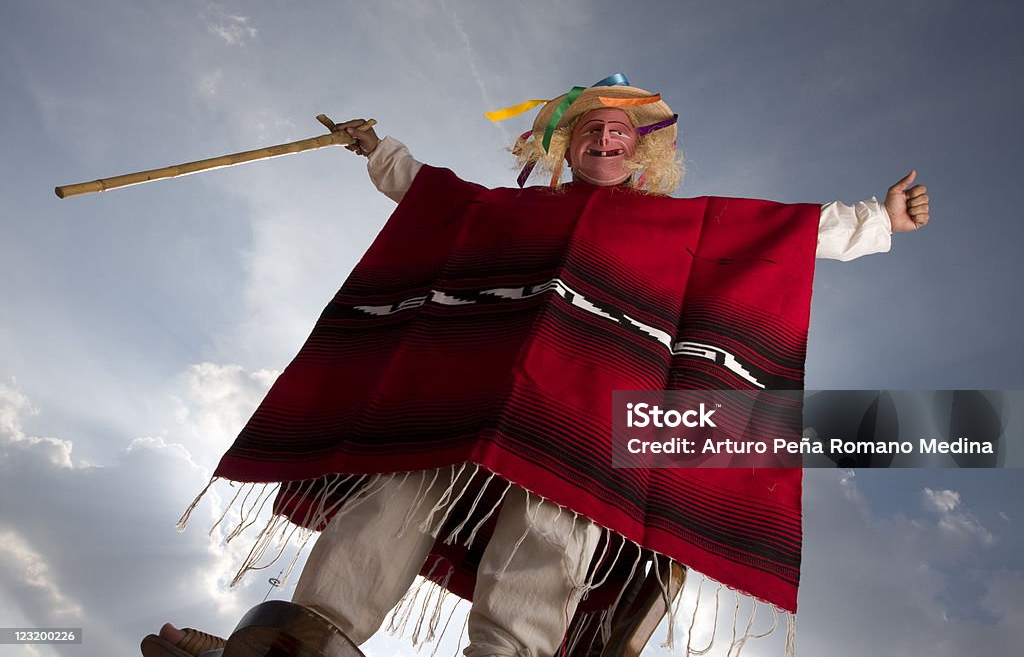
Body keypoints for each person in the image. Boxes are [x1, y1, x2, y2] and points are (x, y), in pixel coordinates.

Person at [148, 79, 928, 657]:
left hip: (583, 417)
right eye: (589, 129)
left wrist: (877, 218)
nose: (605, 139)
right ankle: (309, 641)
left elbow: (781, 234)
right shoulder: (511, 208)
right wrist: (375, 148)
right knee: (397, 491)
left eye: (620, 130)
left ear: (643, 148)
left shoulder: (683, 224)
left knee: (551, 531)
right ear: (566, 144)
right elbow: (434, 199)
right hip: (469, 398)